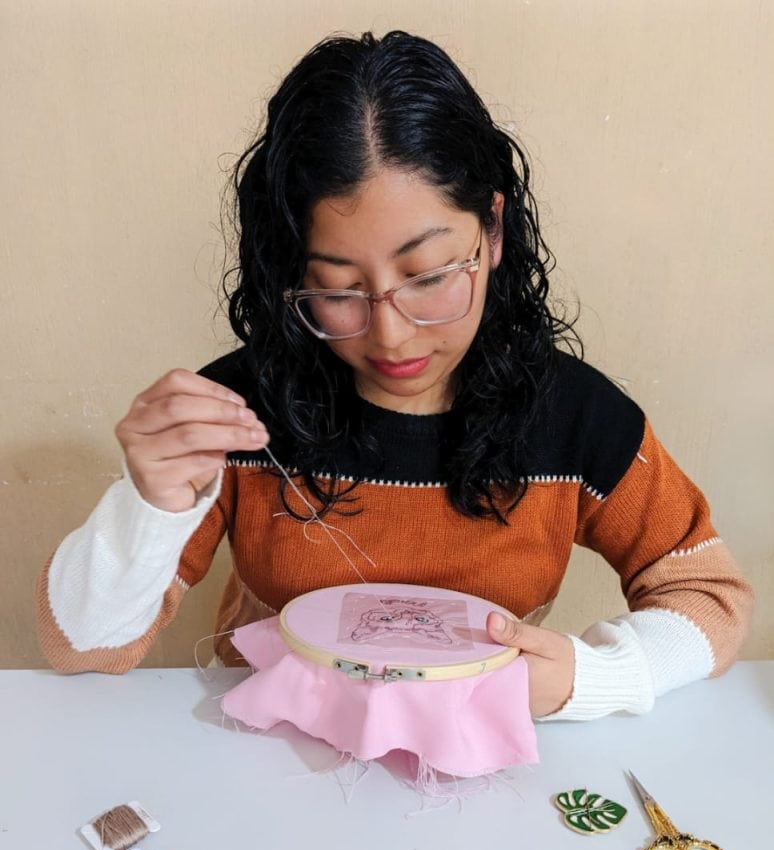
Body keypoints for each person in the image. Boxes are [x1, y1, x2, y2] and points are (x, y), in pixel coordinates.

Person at [36, 30, 752, 722]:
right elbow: (80, 653)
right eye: (339, 290)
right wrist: (150, 506)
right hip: (264, 757)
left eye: (430, 275)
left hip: (487, 763)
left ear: (493, 230)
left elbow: (707, 593)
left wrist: (597, 676)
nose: (391, 333)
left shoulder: (576, 417)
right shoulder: (236, 417)